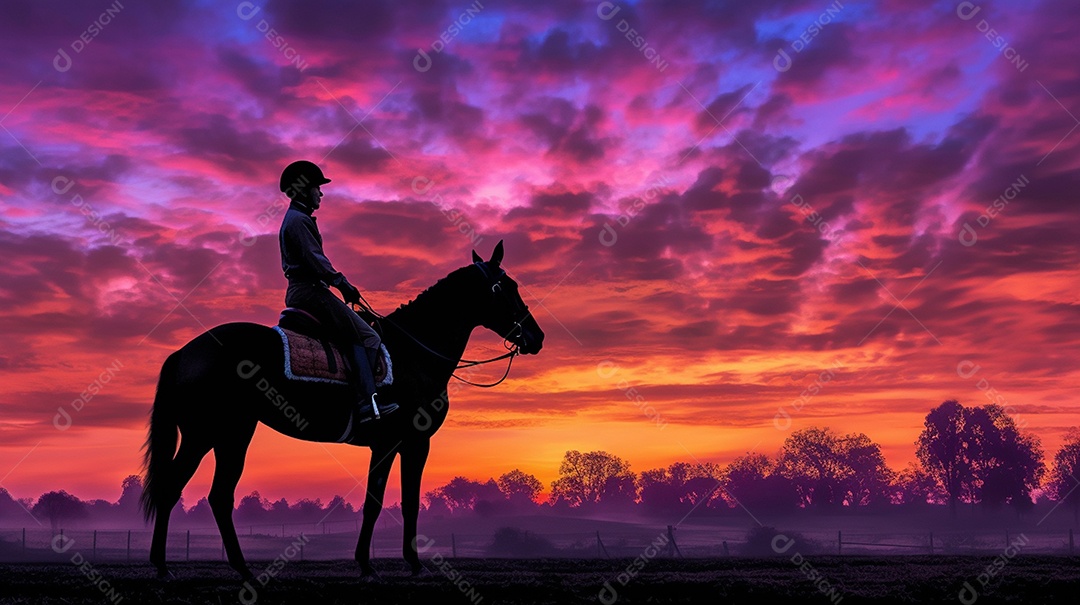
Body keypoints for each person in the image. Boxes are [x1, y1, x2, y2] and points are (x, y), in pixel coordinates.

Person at [277, 160, 397, 423]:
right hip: (310, 292)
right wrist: (343, 284)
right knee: (368, 337)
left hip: (300, 291)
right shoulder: (298, 221)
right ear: (304, 190)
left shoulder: (297, 218)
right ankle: (368, 403)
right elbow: (316, 261)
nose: (321, 193)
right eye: (317, 188)